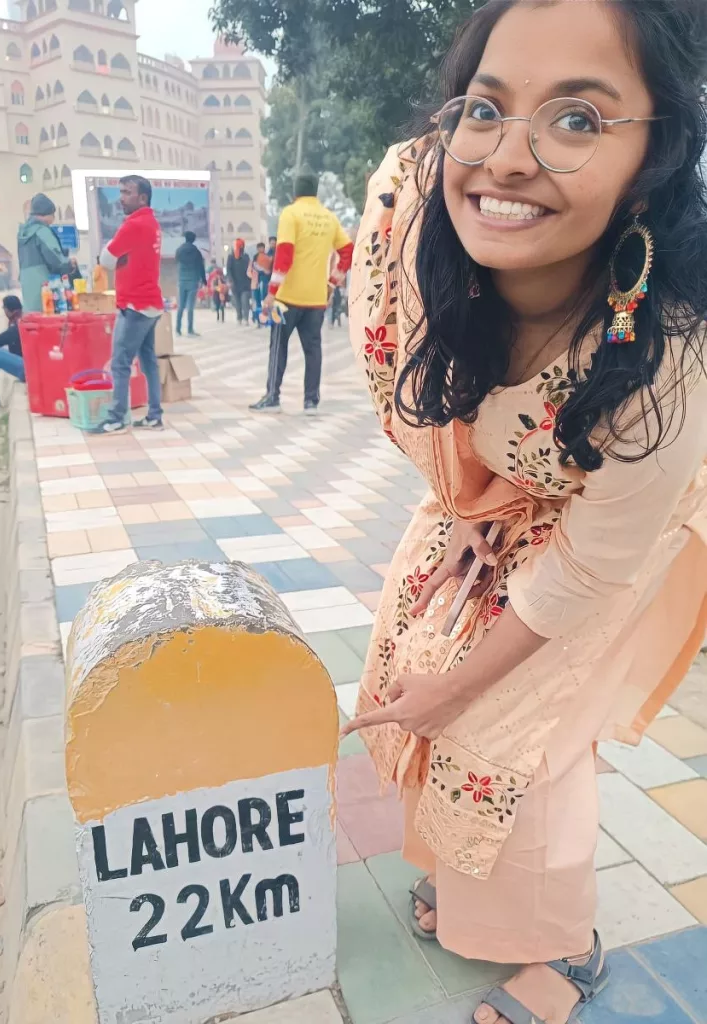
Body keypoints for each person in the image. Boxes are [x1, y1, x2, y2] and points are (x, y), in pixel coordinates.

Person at [341, 4, 707, 1024]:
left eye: (580, 118)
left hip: (610, 539)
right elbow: (433, 397)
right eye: (488, 109)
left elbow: (587, 573)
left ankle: (567, 944)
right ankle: (467, 886)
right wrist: (464, 507)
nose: (506, 160)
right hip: (494, 499)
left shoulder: (671, 362)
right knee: (417, 662)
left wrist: (456, 688)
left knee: (524, 739)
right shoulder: (419, 222)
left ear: (656, 155)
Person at [249, 175, 353, 415]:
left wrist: (271, 292)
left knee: (278, 347)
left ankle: (273, 397)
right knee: (313, 350)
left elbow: (284, 255)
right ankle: (311, 402)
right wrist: (332, 283)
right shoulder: (329, 217)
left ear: (295, 192)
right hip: (316, 299)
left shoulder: (291, 214)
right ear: (314, 192)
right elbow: (347, 251)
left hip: (286, 300)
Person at [93, 174, 164, 434]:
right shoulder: (152, 223)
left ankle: (116, 418)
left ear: (142, 197)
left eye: (127, 192)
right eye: (120, 192)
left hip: (134, 305)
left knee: (120, 362)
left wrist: (120, 260)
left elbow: (106, 259)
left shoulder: (133, 225)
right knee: (148, 362)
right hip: (150, 304)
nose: (121, 197)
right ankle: (154, 416)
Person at [17, 193, 72, 312]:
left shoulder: (23, 233)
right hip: (45, 289)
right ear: (46, 214)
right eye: (53, 214)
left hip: (29, 290)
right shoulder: (42, 231)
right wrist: (70, 264)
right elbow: (56, 260)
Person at [174, 230, 206, 337]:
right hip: (193, 280)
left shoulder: (179, 250)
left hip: (182, 280)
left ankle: (178, 329)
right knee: (190, 307)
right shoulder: (196, 252)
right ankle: (190, 329)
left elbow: (176, 262)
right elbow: (201, 267)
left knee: (181, 306)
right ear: (193, 239)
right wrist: (204, 281)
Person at [226, 239, 251, 324]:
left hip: (245, 285)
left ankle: (246, 318)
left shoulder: (246, 257)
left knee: (245, 301)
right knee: (237, 303)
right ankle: (239, 318)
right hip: (235, 284)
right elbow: (228, 270)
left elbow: (249, 269)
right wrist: (230, 280)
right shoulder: (231, 257)